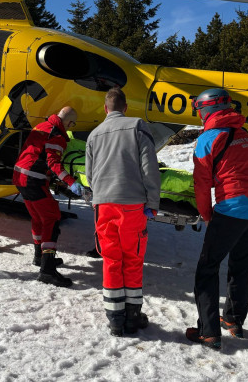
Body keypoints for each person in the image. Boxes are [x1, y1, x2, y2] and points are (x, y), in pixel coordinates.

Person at [185, 88, 248, 350]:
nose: (199, 115)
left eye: (199, 109)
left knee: (207, 268)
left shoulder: (208, 138)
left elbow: (201, 185)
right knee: (241, 265)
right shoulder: (243, 134)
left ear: (206, 110)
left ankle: (209, 332)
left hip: (234, 207)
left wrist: (207, 214)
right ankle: (234, 320)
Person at [85, 87, 161, 337]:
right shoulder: (137, 126)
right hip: (132, 204)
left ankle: (115, 319)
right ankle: (132, 315)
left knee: (111, 259)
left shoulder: (94, 134)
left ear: (105, 109)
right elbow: (149, 167)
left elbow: (90, 175)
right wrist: (153, 202)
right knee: (133, 258)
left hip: (104, 204)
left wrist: (99, 198)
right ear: (125, 107)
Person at [13, 106, 84, 288]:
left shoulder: (42, 126)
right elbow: (54, 163)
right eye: (72, 124)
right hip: (33, 179)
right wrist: (70, 182)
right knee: (51, 218)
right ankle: (47, 270)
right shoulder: (57, 136)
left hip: (20, 176)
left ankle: (39, 256)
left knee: (38, 217)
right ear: (69, 123)